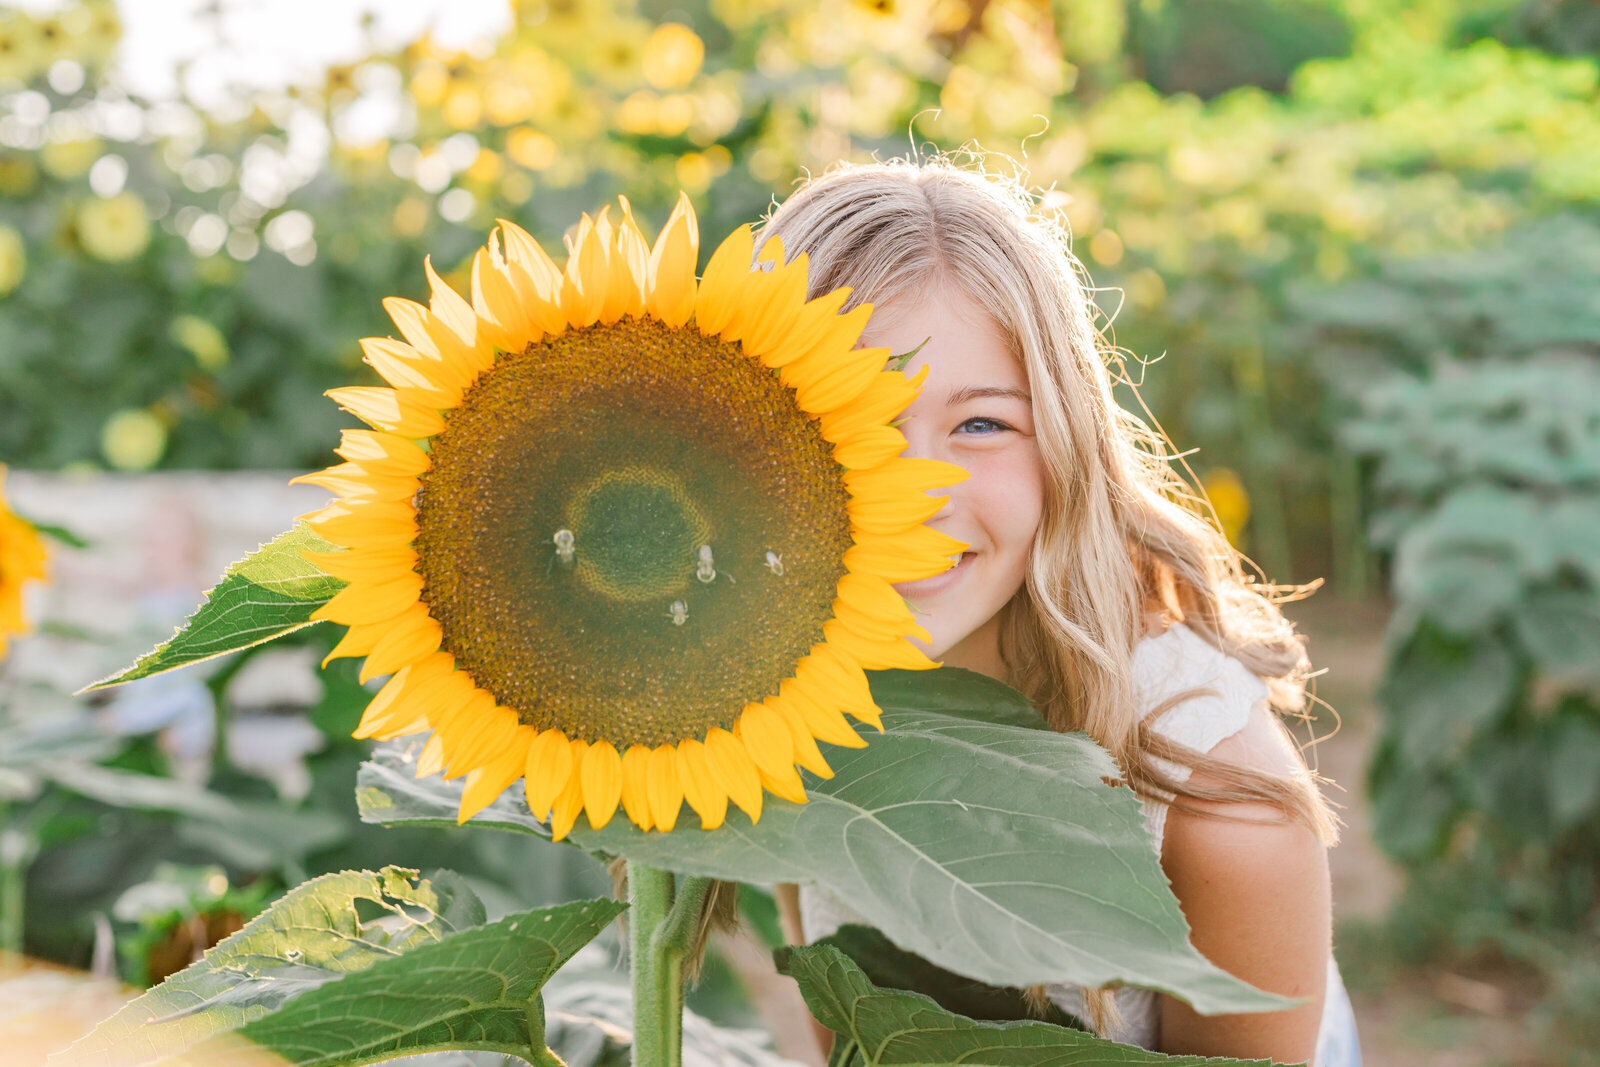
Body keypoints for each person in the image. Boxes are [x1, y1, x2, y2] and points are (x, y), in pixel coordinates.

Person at [761, 157, 1362, 1066]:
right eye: (850, 425)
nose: (918, 494)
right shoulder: (783, 705)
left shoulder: (1211, 799)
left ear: (1068, 444)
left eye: (981, 425)